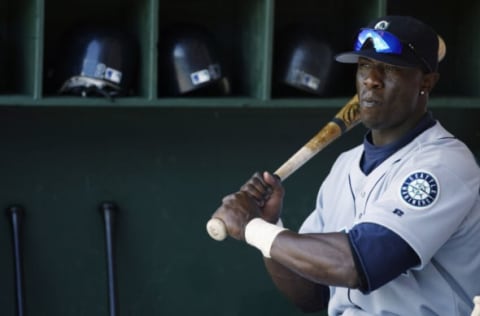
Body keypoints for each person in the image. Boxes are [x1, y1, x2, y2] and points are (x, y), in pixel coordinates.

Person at [211, 15, 480, 315]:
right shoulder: (345, 165)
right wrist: (272, 225)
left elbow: (359, 263)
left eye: (389, 68)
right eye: (364, 65)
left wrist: (253, 228)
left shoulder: (445, 163)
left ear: (427, 82)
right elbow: (312, 295)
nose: (370, 79)